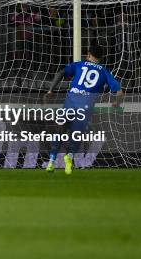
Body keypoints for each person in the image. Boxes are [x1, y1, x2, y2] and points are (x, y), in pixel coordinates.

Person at [43, 43, 123, 175]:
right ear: (101, 57)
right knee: (77, 135)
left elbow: (62, 72)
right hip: (85, 107)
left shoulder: (79, 65)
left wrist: (51, 90)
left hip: (71, 103)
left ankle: (52, 161)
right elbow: (120, 92)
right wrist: (117, 103)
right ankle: (70, 158)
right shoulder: (104, 71)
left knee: (60, 131)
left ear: (89, 55)